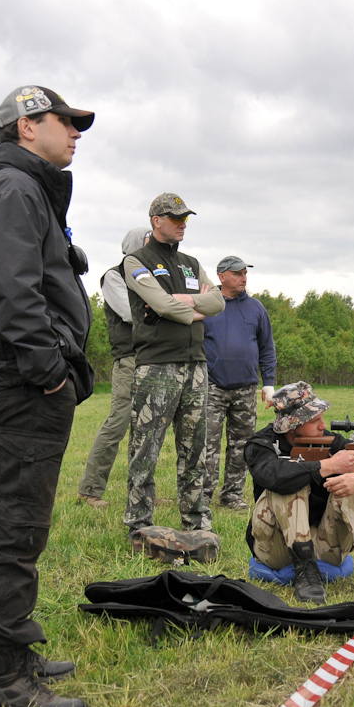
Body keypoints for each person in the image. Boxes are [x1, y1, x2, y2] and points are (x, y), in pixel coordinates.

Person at [0, 85, 95, 707]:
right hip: (23, 383)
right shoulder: (14, 191)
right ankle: (6, 677)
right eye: (65, 122)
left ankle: (14, 650)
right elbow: (13, 295)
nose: (75, 133)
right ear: (25, 126)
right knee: (18, 524)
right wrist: (47, 373)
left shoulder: (24, 190)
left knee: (11, 519)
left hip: (17, 381)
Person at [122, 193, 224, 535]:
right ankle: (138, 523)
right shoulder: (136, 261)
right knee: (145, 450)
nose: (182, 224)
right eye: (175, 218)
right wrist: (195, 309)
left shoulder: (191, 263)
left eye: (185, 219)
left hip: (196, 366)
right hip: (156, 367)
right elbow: (160, 305)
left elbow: (219, 301)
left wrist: (183, 301)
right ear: (156, 220)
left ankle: (197, 523)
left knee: (195, 451)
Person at [243, 381, 354, 608]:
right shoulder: (261, 443)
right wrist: (329, 465)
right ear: (293, 425)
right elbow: (272, 476)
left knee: (351, 484)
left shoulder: (332, 443)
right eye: (314, 421)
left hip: (326, 547)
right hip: (276, 549)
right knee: (288, 483)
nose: (323, 426)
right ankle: (304, 573)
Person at [77, 226, 149, 509]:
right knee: (118, 421)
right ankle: (90, 489)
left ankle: (142, 491)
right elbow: (129, 313)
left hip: (154, 357)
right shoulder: (114, 276)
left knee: (149, 427)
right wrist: (165, 308)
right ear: (135, 245)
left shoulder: (153, 276)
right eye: (147, 242)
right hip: (130, 358)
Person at [201, 255, 276, 511]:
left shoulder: (256, 308)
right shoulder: (209, 306)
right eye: (237, 273)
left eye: (245, 273)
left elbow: (267, 347)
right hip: (212, 387)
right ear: (222, 276)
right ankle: (203, 495)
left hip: (245, 389)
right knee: (207, 445)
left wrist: (269, 384)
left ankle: (232, 495)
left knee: (242, 446)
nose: (243, 278)